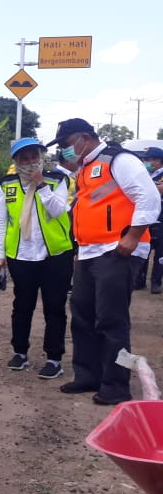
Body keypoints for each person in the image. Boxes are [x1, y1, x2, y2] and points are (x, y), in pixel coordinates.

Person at [47, 119, 160, 405]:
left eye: (66, 144)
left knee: (111, 321)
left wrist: (133, 237)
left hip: (116, 251)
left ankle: (116, 385)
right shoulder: (84, 169)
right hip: (89, 252)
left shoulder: (120, 160)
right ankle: (88, 376)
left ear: (85, 137)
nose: (65, 150)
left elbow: (147, 197)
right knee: (83, 317)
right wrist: (80, 249)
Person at [0, 138, 74, 379]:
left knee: (54, 307)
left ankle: (54, 358)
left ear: (41, 157)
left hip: (55, 255)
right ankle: (20, 352)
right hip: (21, 255)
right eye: (23, 158)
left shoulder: (57, 180)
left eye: (33, 157)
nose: (29, 163)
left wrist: (41, 186)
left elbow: (59, 210)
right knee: (22, 305)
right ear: (16, 162)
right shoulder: (8, 185)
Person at [133, 146, 163, 293]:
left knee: (160, 254)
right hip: (146, 218)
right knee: (143, 250)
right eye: (144, 159)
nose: (145, 162)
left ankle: (156, 283)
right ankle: (139, 281)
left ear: (158, 161)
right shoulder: (146, 174)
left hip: (161, 219)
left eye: (148, 159)